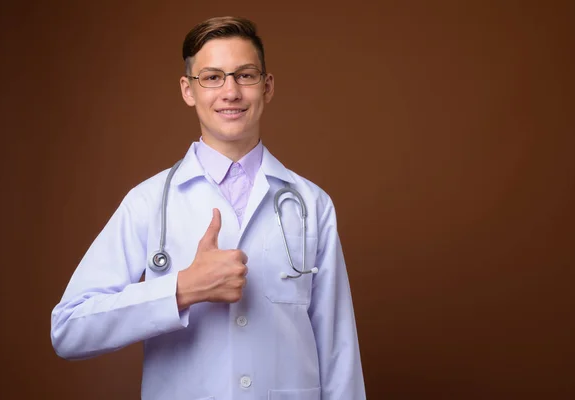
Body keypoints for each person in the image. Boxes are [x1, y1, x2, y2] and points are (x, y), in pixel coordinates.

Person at [51, 16, 366, 400]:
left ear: (267, 87)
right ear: (188, 90)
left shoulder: (311, 204)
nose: (230, 91)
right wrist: (181, 289)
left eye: (245, 75)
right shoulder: (148, 202)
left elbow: (338, 350)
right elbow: (69, 329)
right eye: (212, 77)